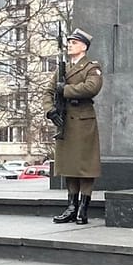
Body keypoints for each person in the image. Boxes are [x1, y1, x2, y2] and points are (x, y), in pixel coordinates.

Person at [51, 29, 103, 225]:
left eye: (73, 42)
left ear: (83, 46)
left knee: (85, 166)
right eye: (69, 42)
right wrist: (51, 111)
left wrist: (65, 90)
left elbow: (92, 87)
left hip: (83, 121)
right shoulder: (62, 69)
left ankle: (83, 207)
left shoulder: (92, 67)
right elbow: (48, 91)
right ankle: (71, 206)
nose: (69, 45)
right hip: (65, 121)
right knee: (69, 165)